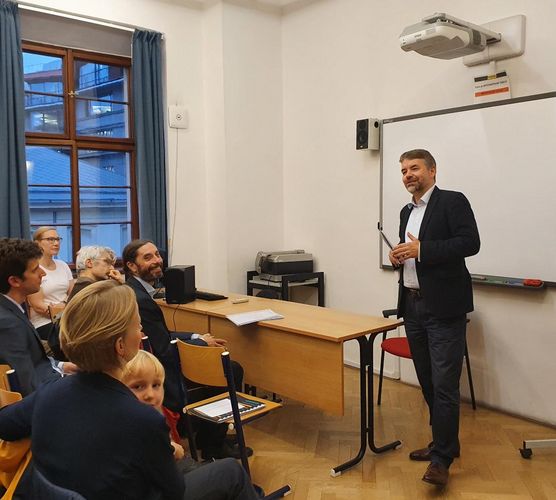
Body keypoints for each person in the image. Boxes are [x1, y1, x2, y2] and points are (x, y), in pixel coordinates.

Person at [0, 280, 262, 500]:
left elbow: (6, 424)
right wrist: (170, 451)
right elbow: (173, 491)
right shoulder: (142, 419)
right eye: (137, 326)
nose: (141, 331)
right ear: (120, 347)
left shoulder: (50, 392)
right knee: (230, 472)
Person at [389, 149, 480, 487]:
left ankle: (441, 459)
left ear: (432, 170)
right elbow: (411, 251)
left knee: (444, 386)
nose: (407, 175)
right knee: (427, 381)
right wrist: (400, 255)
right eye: (403, 171)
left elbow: (470, 243)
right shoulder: (405, 211)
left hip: (444, 308)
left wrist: (422, 249)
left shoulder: (452, 202)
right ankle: (445, 443)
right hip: (412, 306)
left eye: (414, 168)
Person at [123, 239, 248, 460]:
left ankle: (207, 434)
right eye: (148, 257)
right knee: (229, 368)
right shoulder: (140, 299)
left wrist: (196, 336)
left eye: (157, 255)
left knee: (220, 364)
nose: (157, 261)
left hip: (155, 361)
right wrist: (201, 345)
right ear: (132, 266)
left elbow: (160, 335)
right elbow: (163, 349)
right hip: (162, 372)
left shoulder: (135, 290)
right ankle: (213, 445)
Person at [0, 238, 76, 396]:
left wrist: (61, 366)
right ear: (15, 281)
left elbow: (33, 360)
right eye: (35, 270)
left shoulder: (12, 307)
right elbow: (27, 385)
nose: (42, 273)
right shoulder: (7, 323)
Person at [123, 349, 204, 475]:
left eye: (156, 385)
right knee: (231, 472)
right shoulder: (129, 424)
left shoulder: (157, 415)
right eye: (138, 387)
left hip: (171, 469)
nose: (150, 394)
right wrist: (171, 450)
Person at [27, 227, 74, 340]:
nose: (56, 243)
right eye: (50, 239)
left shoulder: (63, 265)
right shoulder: (33, 269)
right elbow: (38, 306)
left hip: (66, 317)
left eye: (58, 239)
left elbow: (73, 295)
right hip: (44, 322)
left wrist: (67, 310)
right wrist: (64, 313)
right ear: (37, 243)